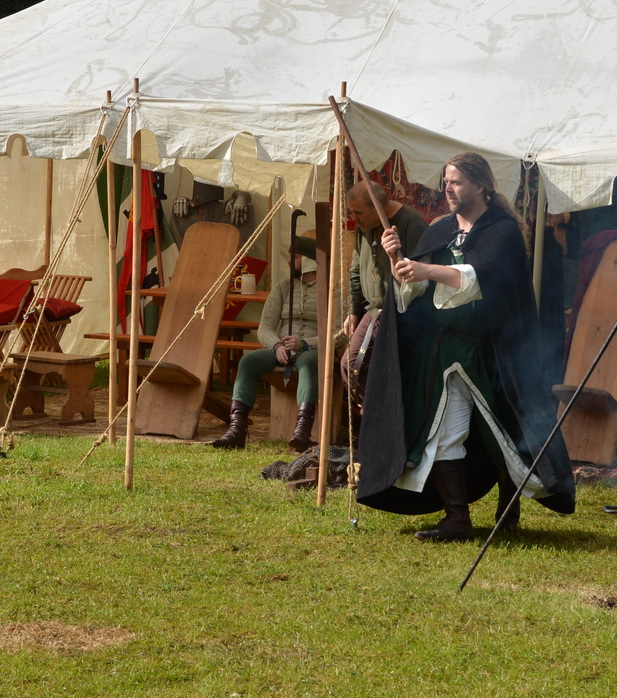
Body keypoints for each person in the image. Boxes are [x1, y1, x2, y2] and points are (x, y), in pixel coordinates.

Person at [355, 152, 574, 540]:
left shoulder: (502, 230)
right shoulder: (439, 230)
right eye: (445, 182)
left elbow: (479, 278)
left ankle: (510, 503)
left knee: (503, 433)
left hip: (494, 353)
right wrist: (398, 262)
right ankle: (457, 517)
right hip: (445, 354)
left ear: (480, 185)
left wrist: (427, 269)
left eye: (455, 182)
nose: (448, 189)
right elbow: (415, 290)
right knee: (443, 434)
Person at [209, 251, 322, 452]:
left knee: (309, 361)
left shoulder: (332, 291)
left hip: (311, 349)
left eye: (294, 256)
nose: (288, 261)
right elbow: (265, 327)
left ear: (309, 259)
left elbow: (339, 334)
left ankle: (302, 433)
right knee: (249, 361)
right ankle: (237, 430)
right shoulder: (283, 288)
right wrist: (277, 345)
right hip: (281, 348)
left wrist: (304, 343)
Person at [340, 175, 428, 391]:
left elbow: (421, 278)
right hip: (373, 311)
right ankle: (375, 417)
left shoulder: (411, 223)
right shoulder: (366, 226)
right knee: (350, 367)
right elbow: (355, 270)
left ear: (378, 206)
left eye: (358, 212)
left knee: (379, 370)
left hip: (403, 313)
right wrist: (353, 311)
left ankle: (385, 419)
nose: (354, 218)